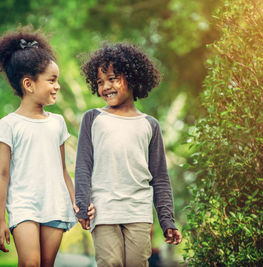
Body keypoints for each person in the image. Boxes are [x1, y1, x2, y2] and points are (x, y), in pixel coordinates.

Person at [0, 27, 94, 267]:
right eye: (52, 80)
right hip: (23, 204)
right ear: (29, 84)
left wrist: (78, 203)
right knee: (31, 262)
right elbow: (2, 175)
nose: (57, 86)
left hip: (54, 203)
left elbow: (63, 170)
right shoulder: (8, 124)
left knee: (46, 264)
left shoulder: (57, 123)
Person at [75, 43, 182, 267]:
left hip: (138, 212)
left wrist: (167, 220)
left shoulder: (149, 125)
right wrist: (82, 202)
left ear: (132, 78)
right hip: (104, 210)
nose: (105, 87)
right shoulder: (93, 118)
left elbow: (160, 178)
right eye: (100, 82)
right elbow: (83, 165)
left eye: (113, 78)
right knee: (110, 262)